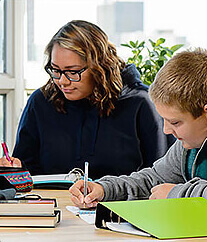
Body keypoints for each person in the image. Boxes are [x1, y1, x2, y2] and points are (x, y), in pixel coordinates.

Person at [69, 48, 207, 225]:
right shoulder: (194, 139)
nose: (166, 130)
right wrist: (104, 189)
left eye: (175, 122)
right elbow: (154, 181)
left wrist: (176, 195)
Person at [0, 20, 175, 179]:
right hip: (51, 209)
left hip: (120, 210)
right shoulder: (40, 102)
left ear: (99, 66)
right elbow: (25, 172)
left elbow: (161, 177)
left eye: (73, 71)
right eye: (55, 70)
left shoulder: (141, 103)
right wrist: (13, 170)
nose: (62, 81)